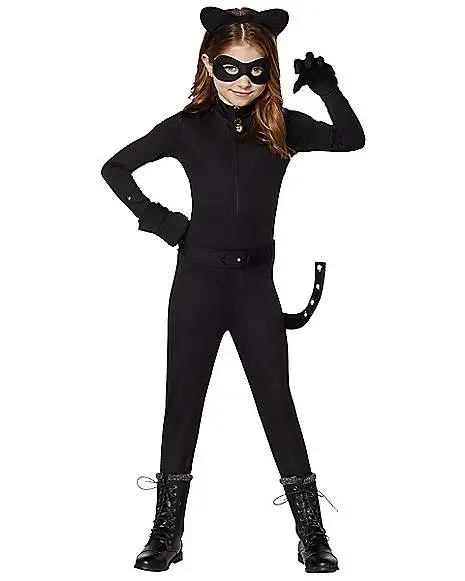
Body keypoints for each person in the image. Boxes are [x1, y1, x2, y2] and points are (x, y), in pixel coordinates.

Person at [100, 5, 365, 574]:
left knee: (276, 402)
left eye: (256, 70)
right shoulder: (187, 126)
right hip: (198, 281)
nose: (242, 81)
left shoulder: (283, 126)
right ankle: (166, 532)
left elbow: (351, 139)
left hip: (254, 287)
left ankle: (312, 535)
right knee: (183, 402)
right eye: (229, 68)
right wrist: (165, 224)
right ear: (208, 65)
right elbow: (115, 168)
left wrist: (326, 85)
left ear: (271, 69)